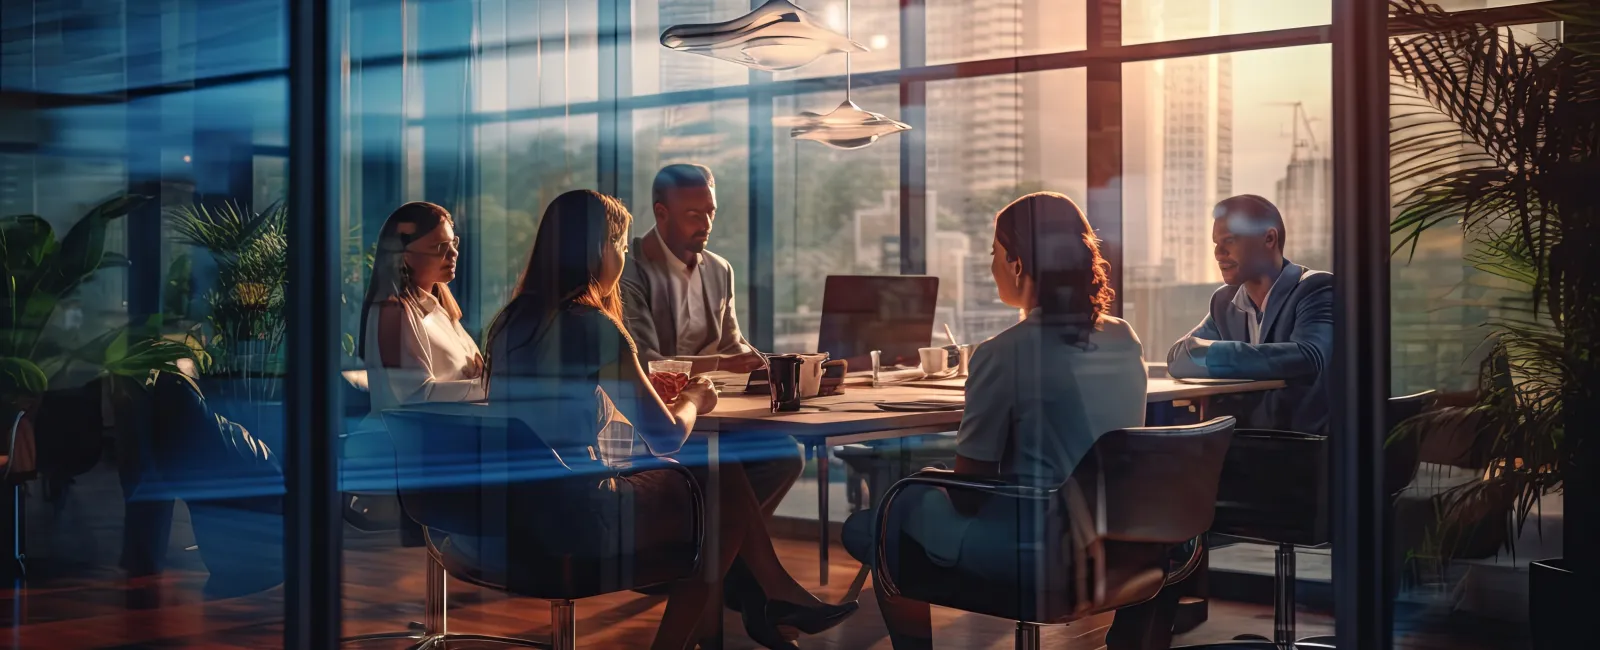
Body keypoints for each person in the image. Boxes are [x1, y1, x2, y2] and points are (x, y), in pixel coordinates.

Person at [485, 190, 855, 650]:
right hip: (575, 518)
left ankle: (773, 592)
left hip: (504, 518)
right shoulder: (595, 325)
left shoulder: (509, 323)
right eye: (621, 246)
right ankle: (766, 596)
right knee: (718, 485)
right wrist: (696, 398)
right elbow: (665, 437)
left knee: (716, 476)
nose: (623, 258)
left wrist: (646, 399)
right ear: (599, 249)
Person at [840, 192, 1149, 649]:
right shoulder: (1124, 337)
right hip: (1122, 544)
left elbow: (970, 495)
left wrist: (929, 480)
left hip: (1040, 551)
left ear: (1017, 265)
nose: (991, 266)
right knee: (907, 502)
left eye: (994, 253)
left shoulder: (1004, 353)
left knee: (884, 517)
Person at [620, 163, 805, 621]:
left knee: (785, 452)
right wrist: (721, 363)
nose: (705, 223)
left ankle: (718, 564)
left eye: (711, 212)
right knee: (727, 465)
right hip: (657, 417)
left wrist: (761, 360)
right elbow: (644, 360)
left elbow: (732, 342)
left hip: (712, 409)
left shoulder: (720, 269)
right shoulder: (628, 269)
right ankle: (729, 578)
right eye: (693, 214)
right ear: (661, 213)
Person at [345, 202, 486, 523]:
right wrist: (484, 386)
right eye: (439, 247)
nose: (453, 253)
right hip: (410, 454)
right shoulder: (394, 312)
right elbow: (412, 396)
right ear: (405, 256)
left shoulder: (439, 309)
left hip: (438, 448)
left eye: (453, 243)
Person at [1166, 194, 1332, 434]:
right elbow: (1178, 357)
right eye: (1216, 243)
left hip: (1301, 443)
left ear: (1269, 238)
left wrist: (1209, 355)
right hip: (1240, 439)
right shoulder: (1224, 301)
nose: (1219, 253)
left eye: (1230, 240)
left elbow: (1309, 356)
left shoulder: (1315, 288)